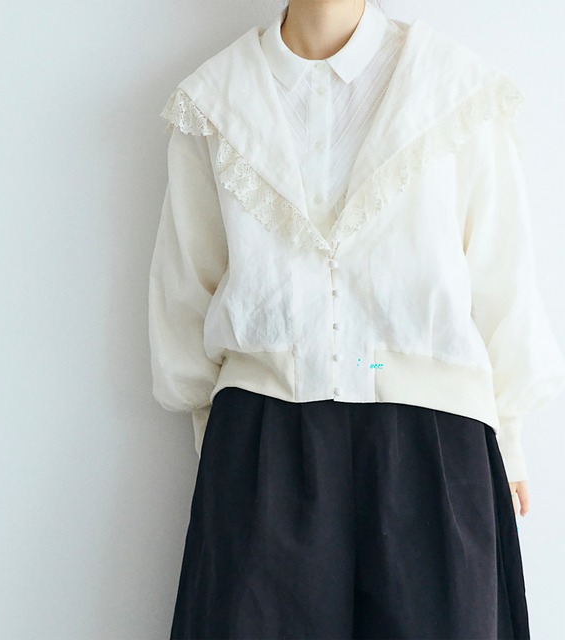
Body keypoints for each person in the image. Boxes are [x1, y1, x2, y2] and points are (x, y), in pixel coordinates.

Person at [148, 0, 565, 637]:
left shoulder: (451, 86)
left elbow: (500, 274)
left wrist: (507, 435)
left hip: (435, 445)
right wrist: (223, 457)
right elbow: (186, 290)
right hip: (263, 440)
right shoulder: (215, 100)